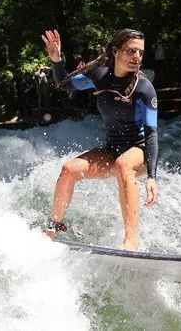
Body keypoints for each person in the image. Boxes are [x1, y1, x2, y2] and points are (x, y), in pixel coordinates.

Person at [41, 28, 159, 251]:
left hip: (139, 152)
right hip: (111, 150)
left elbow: (152, 134)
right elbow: (65, 84)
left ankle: (130, 242)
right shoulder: (100, 77)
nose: (137, 57)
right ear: (115, 51)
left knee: (123, 164)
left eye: (140, 53)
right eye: (131, 51)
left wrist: (152, 176)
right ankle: (52, 228)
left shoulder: (143, 88)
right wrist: (56, 61)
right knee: (69, 169)